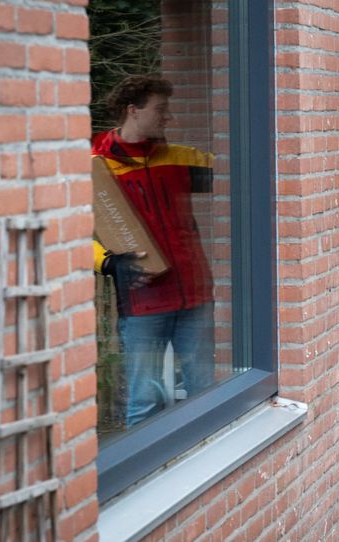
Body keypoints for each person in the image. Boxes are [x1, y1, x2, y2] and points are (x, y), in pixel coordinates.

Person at [92, 74, 215, 427]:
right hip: (143, 303)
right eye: (161, 109)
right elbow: (72, 231)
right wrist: (107, 262)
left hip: (195, 297)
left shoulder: (180, 158)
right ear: (134, 110)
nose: (169, 118)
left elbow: (246, 172)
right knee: (143, 402)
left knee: (204, 393)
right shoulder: (97, 167)